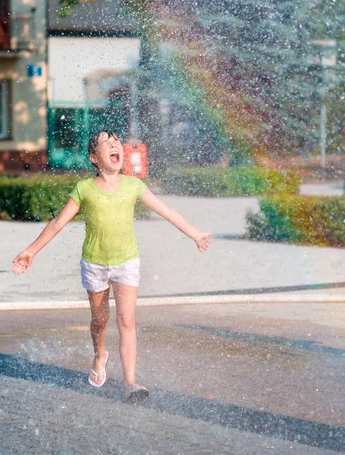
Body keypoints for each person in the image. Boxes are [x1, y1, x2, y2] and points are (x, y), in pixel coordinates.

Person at [12, 130, 212, 402]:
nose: (115, 145)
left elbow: (167, 211)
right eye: (107, 143)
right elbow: (58, 223)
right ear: (95, 158)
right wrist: (31, 251)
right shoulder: (84, 189)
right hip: (94, 263)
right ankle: (98, 355)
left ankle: (131, 383)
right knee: (99, 321)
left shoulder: (133, 186)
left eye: (117, 142)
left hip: (126, 262)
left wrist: (195, 234)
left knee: (126, 320)